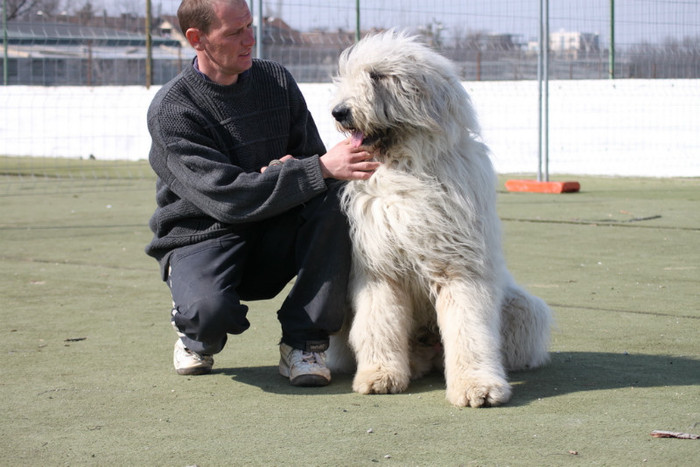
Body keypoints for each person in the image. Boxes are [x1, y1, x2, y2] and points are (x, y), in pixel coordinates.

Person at [145, 0, 379, 387]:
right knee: (209, 313)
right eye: (234, 33)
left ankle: (305, 343)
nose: (249, 39)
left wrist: (302, 170)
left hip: (273, 228)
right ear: (196, 39)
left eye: (250, 26)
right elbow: (227, 199)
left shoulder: (276, 81)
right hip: (203, 236)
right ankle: (195, 330)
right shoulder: (172, 110)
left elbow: (313, 164)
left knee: (335, 202)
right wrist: (309, 170)